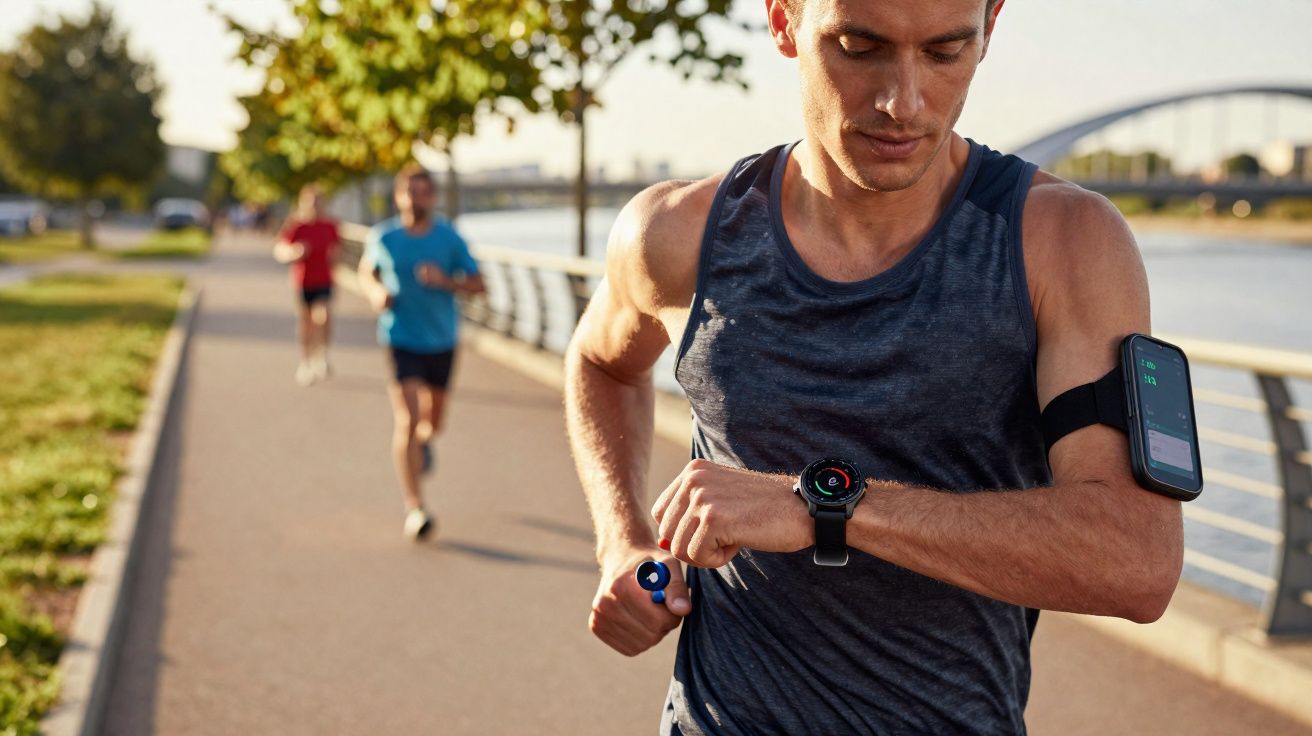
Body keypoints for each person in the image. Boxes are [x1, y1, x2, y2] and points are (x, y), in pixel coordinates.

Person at [563, 0, 1184, 733]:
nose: (903, 102)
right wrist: (623, 542)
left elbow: (1136, 559)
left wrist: (822, 507)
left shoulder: (1065, 244)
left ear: (992, 25)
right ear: (784, 20)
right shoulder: (677, 233)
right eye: (860, 47)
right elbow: (601, 364)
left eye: (947, 52)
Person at [358, 164, 486, 541]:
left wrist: (444, 280)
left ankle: (426, 442)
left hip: (442, 341)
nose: (416, 199)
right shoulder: (384, 237)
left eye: (423, 192)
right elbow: (368, 271)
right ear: (398, 196)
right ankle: (415, 506)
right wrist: (376, 293)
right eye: (409, 192)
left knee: (433, 422)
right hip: (400, 338)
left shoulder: (449, 238)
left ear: (432, 197)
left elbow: (479, 285)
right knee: (408, 421)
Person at [274, 184, 340, 386]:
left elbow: (338, 251)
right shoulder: (297, 226)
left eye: (318, 202)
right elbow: (279, 250)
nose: (315, 207)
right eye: (311, 203)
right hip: (303, 281)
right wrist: (294, 252)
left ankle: (322, 355)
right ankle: (305, 361)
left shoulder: (331, 226)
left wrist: (335, 258)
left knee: (324, 316)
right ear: (303, 204)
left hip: (325, 280)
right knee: (306, 322)